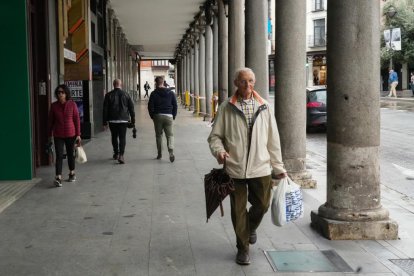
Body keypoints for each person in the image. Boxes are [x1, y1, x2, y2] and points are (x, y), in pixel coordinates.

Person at [207, 68, 287, 265]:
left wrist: (278, 167)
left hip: (260, 167)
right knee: (238, 210)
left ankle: (250, 228)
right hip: (235, 168)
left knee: (262, 204)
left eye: (251, 81)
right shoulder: (226, 107)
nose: (247, 85)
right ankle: (243, 248)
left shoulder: (265, 107)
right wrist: (219, 151)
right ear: (236, 83)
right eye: (243, 81)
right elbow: (215, 136)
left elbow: (273, 140)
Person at [48, 84, 81, 187]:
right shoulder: (54, 106)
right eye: (58, 92)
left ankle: (72, 173)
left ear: (66, 93)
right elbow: (50, 122)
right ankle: (58, 177)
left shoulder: (72, 104)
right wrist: (49, 134)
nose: (60, 94)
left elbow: (76, 120)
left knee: (71, 154)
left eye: (62, 92)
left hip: (71, 134)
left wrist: (78, 134)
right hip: (58, 134)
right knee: (59, 156)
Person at [103, 79, 135, 164]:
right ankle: (121, 155)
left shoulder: (108, 95)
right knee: (122, 137)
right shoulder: (126, 94)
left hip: (112, 120)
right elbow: (132, 109)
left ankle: (116, 153)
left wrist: (104, 122)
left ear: (113, 85)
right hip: (123, 120)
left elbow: (105, 109)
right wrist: (133, 121)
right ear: (121, 85)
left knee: (114, 136)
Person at [148, 76, 177, 162]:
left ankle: (159, 154)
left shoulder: (153, 93)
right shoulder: (171, 93)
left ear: (156, 83)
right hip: (168, 116)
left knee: (159, 135)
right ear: (163, 82)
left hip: (158, 116)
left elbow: (150, 106)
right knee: (170, 135)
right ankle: (171, 151)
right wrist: (173, 115)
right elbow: (175, 105)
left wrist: (152, 116)